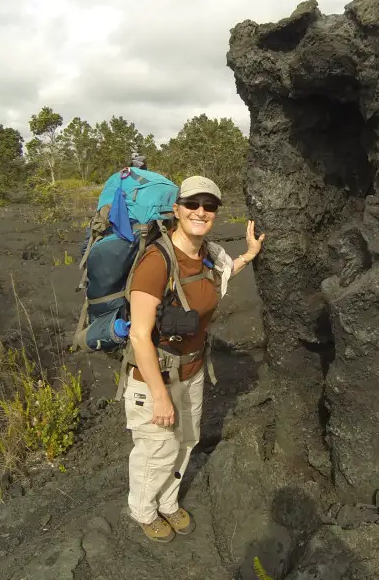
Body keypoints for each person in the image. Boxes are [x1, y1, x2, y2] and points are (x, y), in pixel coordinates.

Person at [122, 175, 265, 543]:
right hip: (155, 377)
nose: (201, 212)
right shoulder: (156, 262)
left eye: (210, 206)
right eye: (193, 204)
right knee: (157, 449)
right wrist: (158, 396)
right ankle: (143, 510)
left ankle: (168, 502)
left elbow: (221, 275)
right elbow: (139, 335)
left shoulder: (208, 255)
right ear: (177, 209)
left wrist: (248, 255)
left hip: (193, 371)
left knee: (186, 440)